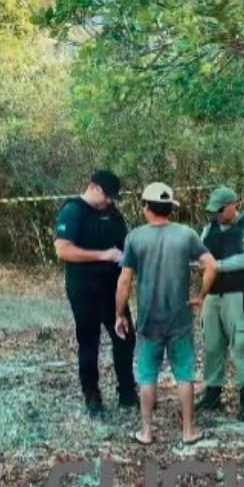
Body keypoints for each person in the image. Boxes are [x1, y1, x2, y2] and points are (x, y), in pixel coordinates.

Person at [114, 182, 217, 446]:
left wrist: (119, 314)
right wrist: (201, 295)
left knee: (147, 376)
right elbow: (211, 265)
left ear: (147, 208)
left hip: (149, 320)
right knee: (184, 374)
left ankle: (146, 432)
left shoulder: (135, 238)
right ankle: (188, 431)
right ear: (170, 209)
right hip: (179, 318)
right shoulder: (186, 234)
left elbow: (124, 281)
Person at [54, 169, 138, 419]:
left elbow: (125, 245)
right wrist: (103, 255)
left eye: (114, 198)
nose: (111, 201)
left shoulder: (113, 214)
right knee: (89, 342)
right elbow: (63, 250)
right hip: (84, 289)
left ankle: (127, 392)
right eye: (108, 196)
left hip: (113, 289)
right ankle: (92, 395)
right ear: (94, 188)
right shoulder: (73, 211)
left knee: (125, 337)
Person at [194, 186, 244, 421]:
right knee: (212, 345)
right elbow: (199, 253)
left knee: (242, 347)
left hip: (239, 295)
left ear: (235, 204)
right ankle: (213, 393)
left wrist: (219, 265)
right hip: (213, 296)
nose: (218, 215)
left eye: (221, 210)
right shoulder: (209, 229)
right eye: (215, 211)